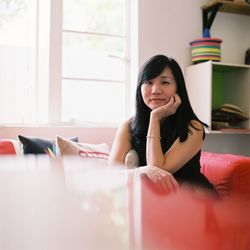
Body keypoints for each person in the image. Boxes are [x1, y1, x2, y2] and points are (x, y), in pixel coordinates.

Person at [109, 54, 216, 194]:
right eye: (148, 82)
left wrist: (155, 119)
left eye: (165, 82)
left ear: (178, 87)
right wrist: (140, 171)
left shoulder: (193, 128)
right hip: (155, 203)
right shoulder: (128, 126)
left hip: (194, 201)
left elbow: (157, 172)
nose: (155, 90)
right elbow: (111, 173)